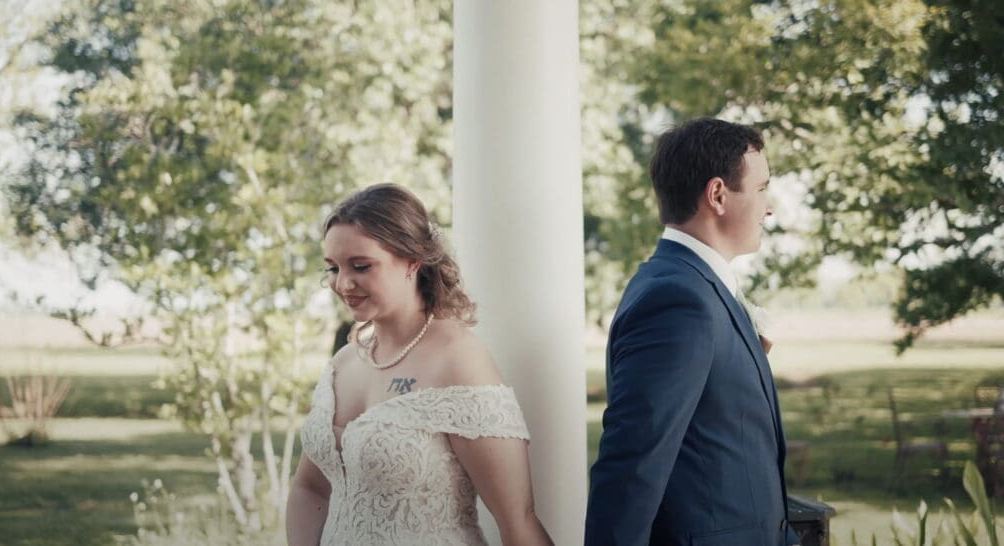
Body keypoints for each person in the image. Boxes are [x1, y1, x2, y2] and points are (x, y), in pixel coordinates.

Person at [286, 183, 553, 546]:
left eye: (361, 266)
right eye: (333, 268)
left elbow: (517, 519)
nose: (343, 284)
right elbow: (310, 488)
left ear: (413, 260)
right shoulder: (344, 363)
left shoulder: (458, 361)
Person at [585, 118, 801, 546]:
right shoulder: (676, 300)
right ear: (717, 194)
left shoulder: (696, 285)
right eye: (761, 189)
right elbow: (630, 468)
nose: (770, 207)